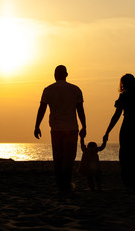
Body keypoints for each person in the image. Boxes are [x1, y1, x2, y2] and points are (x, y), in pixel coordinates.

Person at [34, 65, 87, 195]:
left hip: (56, 129)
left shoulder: (48, 90)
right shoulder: (75, 89)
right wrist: (84, 126)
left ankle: (60, 185)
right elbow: (80, 110)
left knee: (58, 158)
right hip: (71, 128)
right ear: (66, 74)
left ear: (55, 75)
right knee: (68, 158)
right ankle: (66, 184)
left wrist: (37, 126)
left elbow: (42, 109)